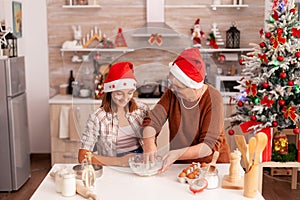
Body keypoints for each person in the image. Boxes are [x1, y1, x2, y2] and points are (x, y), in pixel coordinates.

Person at [142, 48, 230, 172]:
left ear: (194, 88)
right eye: (170, 84)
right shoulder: (172, 94)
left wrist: (177, 153)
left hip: (211, 166)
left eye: (178, 87)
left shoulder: (213, 98)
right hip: (179, 166)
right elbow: (153, 120)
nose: (172, 89)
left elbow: (208, 146)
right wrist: (149, 142)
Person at [78, 62, 149, 166]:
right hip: (112, 165)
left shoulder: (142, 109)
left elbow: (151, 137)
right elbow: (82, 156)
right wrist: (120, 162)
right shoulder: (97, 117)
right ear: (110, 92)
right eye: (119, 93)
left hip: (140, 164)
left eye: (129, 93)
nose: (125, 99)